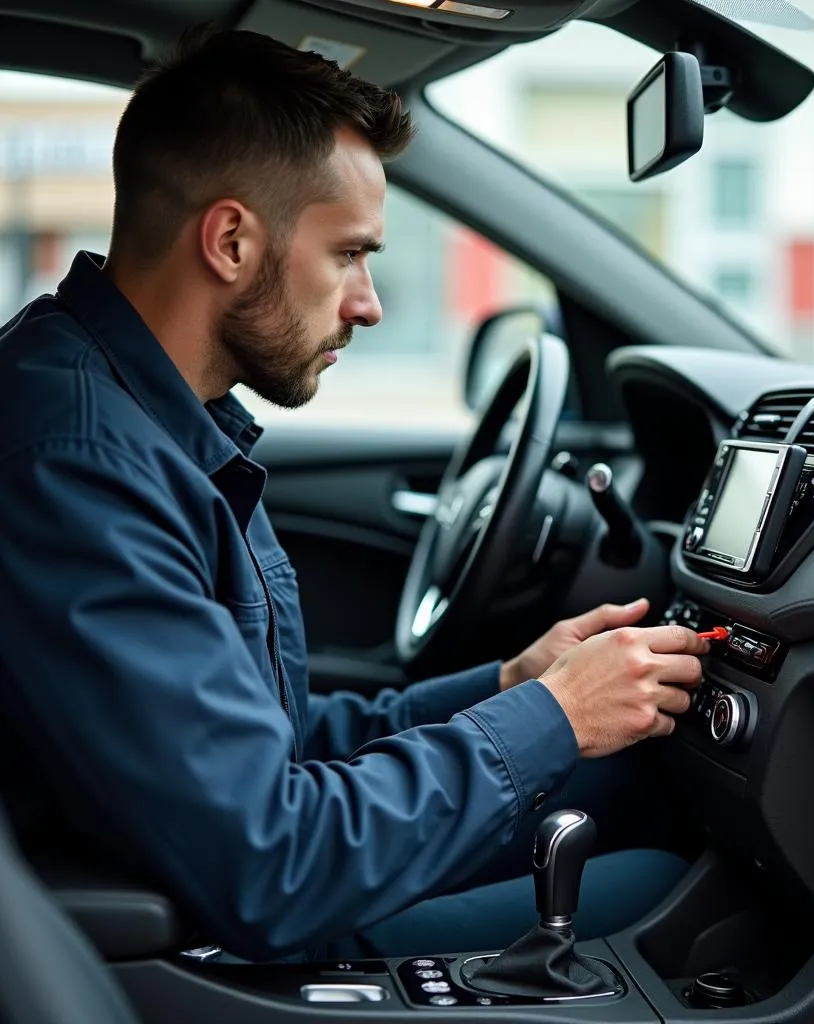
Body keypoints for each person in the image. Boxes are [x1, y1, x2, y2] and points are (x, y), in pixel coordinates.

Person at [0, 26, 708, 962]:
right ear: (231, 240)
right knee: (675, 889)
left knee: (627, 789)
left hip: (214, 881)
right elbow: (271, 860)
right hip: (202, 946)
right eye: (349, 254)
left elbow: (272, 741)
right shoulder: (80, 462)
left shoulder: (142, 420)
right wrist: (555, 719)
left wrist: (510, 689)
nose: (368, 302)